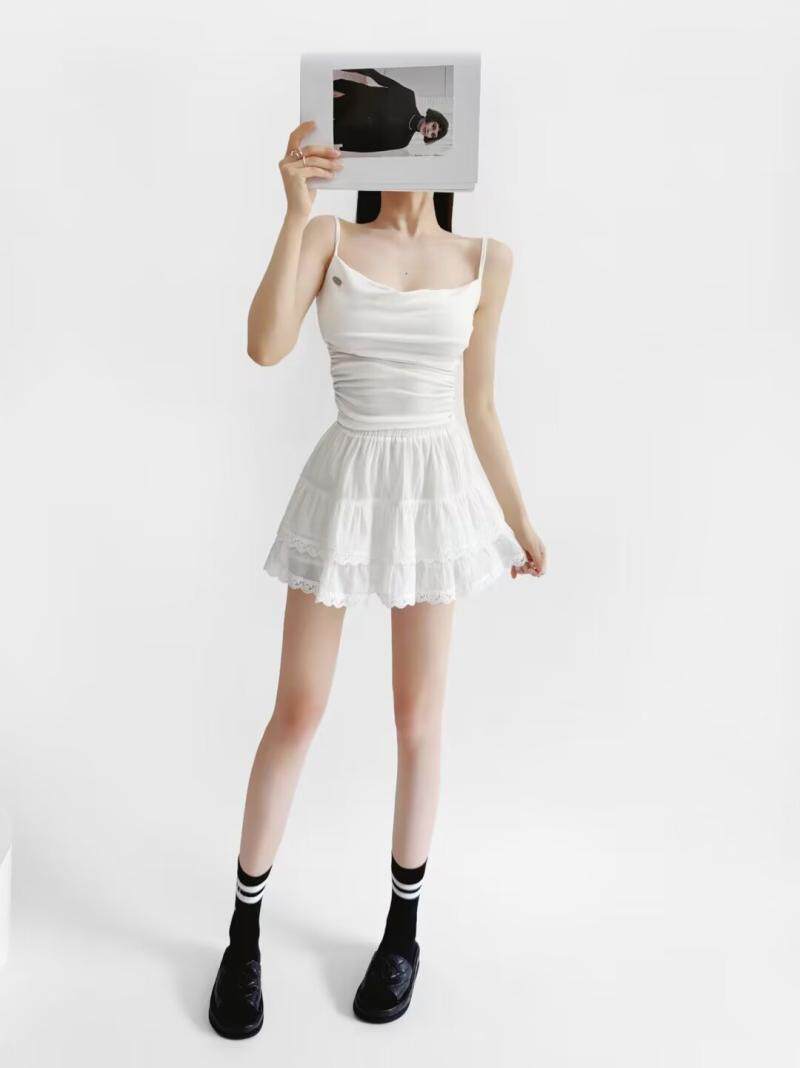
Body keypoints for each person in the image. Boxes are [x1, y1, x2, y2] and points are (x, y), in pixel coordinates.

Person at [207, 119, 546, 1038]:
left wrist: (518, 520)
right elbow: (264, 346)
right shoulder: (330, 236)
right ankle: (242, 937)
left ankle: (403, 934)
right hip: (349, 479)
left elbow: (480, 404)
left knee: (418, 719)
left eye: (432, 129)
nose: (416, 144)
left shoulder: (486, 258)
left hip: (434, 488)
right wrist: (293, 212)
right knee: (297, 710)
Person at [333, 67, 448, 152]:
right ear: (431, 117)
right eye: (433, 126)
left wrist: (346, 146)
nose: (429, 131)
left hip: (345, 129)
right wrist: (342, 65)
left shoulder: (403, 141)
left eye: (433, 135)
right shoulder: (408, 96)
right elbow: (376, 76)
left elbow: (371, 146)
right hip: (346, 99)